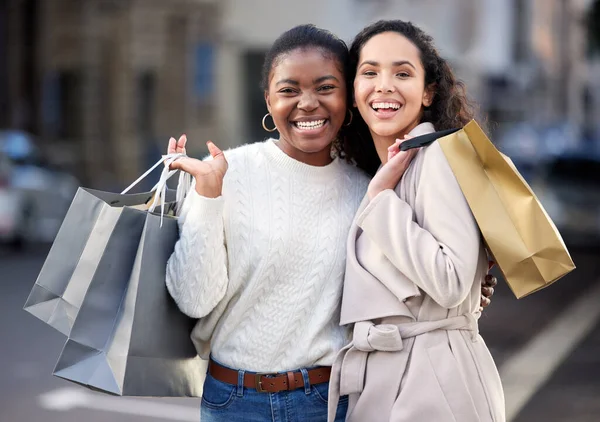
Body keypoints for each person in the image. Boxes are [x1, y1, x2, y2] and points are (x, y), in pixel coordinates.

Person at [164, 24, 496, 422]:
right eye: (289, 90)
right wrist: (206, 198)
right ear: (268, 99)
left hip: (330, 401)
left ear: (348, 99)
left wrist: (472, 294)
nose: (307, 103)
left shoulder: (370, 188)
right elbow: (194, 300)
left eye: (325, 87)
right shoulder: (224, 173)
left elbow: (415, 285)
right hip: (233, 402)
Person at [327, 20, 505, 422]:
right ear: (354, 94)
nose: (384, 85)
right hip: (392, 382)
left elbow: (450, 281)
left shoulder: (438, 158)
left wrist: (379, 201)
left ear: (428, 92)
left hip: (432, 387)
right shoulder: (390, 169)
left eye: (402, 73)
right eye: (369, 72)